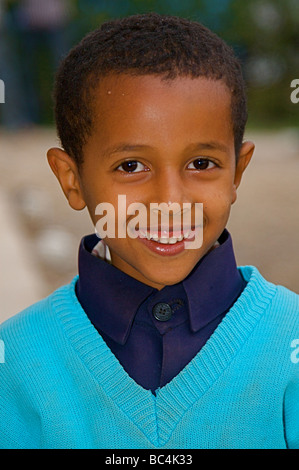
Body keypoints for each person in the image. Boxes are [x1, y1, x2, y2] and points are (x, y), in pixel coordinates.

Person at [0, 13, 298, 449]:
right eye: (131, 166)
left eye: (201, 164)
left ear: (238, 172)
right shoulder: (16, 362)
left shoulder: (290, 345)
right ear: (72, 180)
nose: (170, 201)